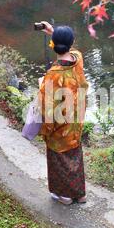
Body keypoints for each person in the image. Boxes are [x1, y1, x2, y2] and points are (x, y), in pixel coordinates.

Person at [38, 22, 88, 205]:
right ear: (72, 42)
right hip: (75, 120)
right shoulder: (78, 59)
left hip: (59, 124)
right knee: (74, 157)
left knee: (59, 158)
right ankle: (80, 194)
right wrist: (53, 33)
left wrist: (46, 130)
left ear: (54, 44)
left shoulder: (52, 75)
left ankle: (65, 196)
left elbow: (47, 108)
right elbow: (69, 51)